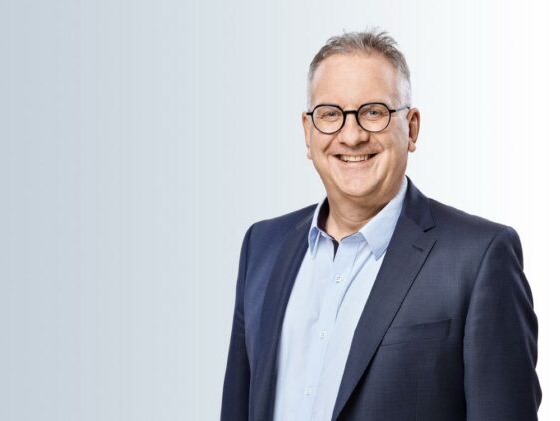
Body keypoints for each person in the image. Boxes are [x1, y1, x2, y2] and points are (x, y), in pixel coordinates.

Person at [221, 29, 541, 421]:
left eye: (373, 112)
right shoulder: (262, 247)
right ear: (308, 131)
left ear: (412, 127)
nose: (352, 136)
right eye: (330, 114)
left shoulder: (478, 259)